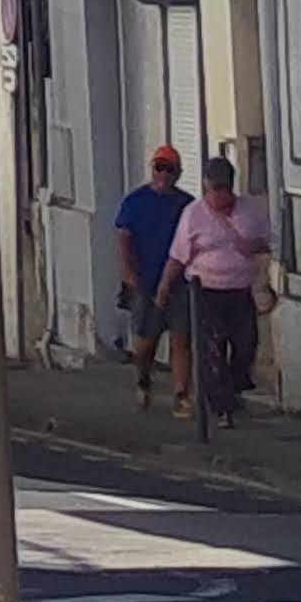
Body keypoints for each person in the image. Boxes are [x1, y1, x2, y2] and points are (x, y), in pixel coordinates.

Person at [165, 152, 276, 425]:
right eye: (214, 190)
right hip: (205, 291)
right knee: (213, 349)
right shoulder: (193, 215)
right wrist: (164, 288)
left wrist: (255, 246)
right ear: (206, 187)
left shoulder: (251, 211)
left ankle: (236, 386)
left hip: (239, 290)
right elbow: (178, 256)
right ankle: (221, 406)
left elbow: (270, 241)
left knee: (246, 344)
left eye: (224, 189)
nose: (220, 196)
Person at [110, 145, 195, 407]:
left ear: (178, 173)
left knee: (181, 338)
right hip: (145, 280)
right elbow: (123, 237)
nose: (164, 174)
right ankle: (143, 377)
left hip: (179, 283)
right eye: (159, 167)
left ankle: (181, 394)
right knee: (146, 340)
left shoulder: (187, 204)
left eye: (169, 169)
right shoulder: (135, 202)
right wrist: (127, 272)